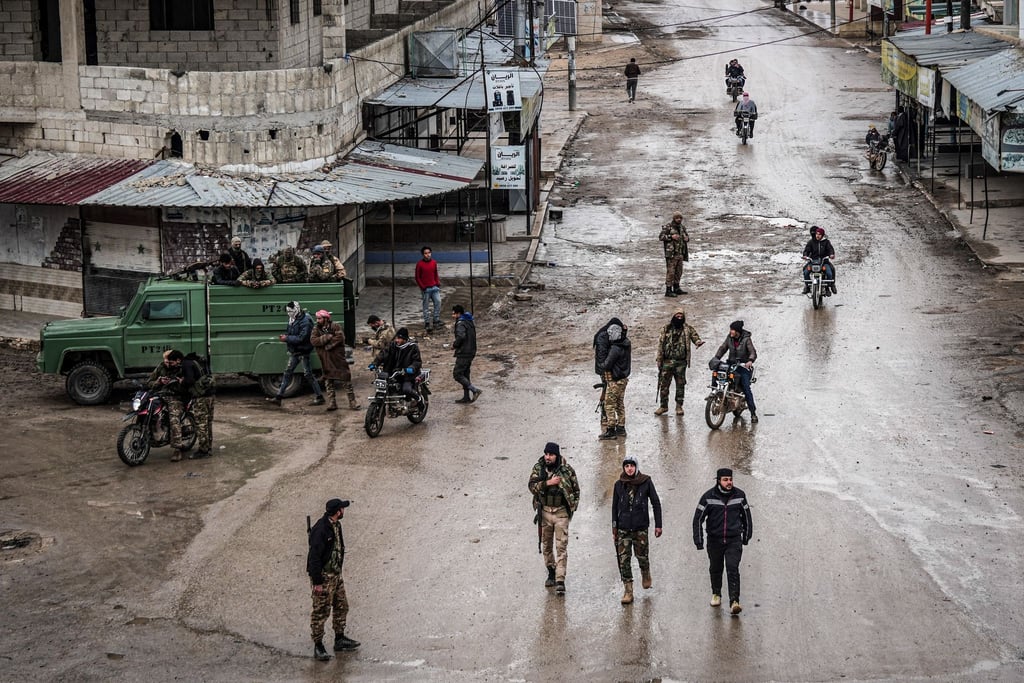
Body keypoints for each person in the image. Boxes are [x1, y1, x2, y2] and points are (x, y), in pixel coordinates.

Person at [692, 468, 753, 615]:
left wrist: (746, 536)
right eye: (725, 480)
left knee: (733, 568)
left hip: (734, 540)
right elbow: (698, 519)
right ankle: (716, 594)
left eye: (730, 479)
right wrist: (699, 540)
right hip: (715, 540)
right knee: (716, 568)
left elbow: (747, 518)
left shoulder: (740, 496)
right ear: (718, 481)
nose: (729, 482)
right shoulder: (708, 497)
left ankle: (734, 601)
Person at [307, 498, 360, 660]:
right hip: (324, 578)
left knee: (342, 606)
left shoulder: (336, 525)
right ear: (338, 511)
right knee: (321, 611)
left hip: (336, 575)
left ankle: (339, 639)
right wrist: (317, 582)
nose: (344, 510)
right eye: (342, 508)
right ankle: (318, 646)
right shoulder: (321, 529)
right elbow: (313, 557)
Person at [528, 442, 580, 595]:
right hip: (544, 512)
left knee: (561, 547)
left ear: (556, 455)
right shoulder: (539, 468)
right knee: (546, 545)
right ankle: (551, 570)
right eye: (546, 454)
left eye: (550, 454)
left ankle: (560, 580)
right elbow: (531, 486)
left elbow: (576, 490)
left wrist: (572, 507)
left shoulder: (566, 470)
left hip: (561, 513)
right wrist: (548, 483)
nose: (548, 457)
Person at [612, 455, 662, 605]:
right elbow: (614, 507)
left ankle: (645, 572)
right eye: (626, 466)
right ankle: (628, 591)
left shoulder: (646, 482)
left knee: (642, 556)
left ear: (636, 467)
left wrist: (658, 525)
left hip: (640, 528)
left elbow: (656, 503)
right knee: (624, 560)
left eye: (632, 466)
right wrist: (614, 526)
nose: (629, 469)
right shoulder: (618, 485)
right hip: (623, 528)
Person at [267, 301, 325, 406]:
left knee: (307, 375)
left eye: (291, 311)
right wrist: (286, 336)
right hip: (296, 351)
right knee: (288, 372)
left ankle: (320, 397)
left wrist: (287, 338)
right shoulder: (293, 319)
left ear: (296, 309)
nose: (289, 313)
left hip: (303, 351)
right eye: (288, 311)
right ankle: (278, 397)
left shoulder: (305, 321)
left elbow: (302, 338)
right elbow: (292, 333)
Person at [655, 309, 704, 416]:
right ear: (673, 315)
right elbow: (660, 345)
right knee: (664, 385)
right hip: (667, 361)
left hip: (681, 363)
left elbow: (695, 336)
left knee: (680, 385)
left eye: (681, 315)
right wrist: (659, 359)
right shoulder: (666, 328)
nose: (679, 316)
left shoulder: (687, 328)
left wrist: (698, 342)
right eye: (677, 314)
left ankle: (679, 406)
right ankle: (663, 406)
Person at [311, 310, 361, 411]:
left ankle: (352, 402)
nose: (318, 320)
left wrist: (328, 345)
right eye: (317, 319)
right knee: (329, 382)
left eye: (319, 318)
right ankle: (332, 403)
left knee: (346, 380)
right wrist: (327, 337)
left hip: (338, 359)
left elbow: (340, 337)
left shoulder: (335, 326)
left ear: (325, 318)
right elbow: (314, 341)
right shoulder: (316, 329)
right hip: (326, 360)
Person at [146, 349, 189, 461]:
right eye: (166, 362)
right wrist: (159, 382)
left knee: (173, 419)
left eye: (170, 362)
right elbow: (149, 382)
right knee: (146, 411)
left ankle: (177, 449)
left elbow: (187, 386)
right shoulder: (161, 367)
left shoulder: (181, 368)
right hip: (160, 396)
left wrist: (178, 382)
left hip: (176, 397)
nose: (168, 364)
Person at [711, 320, 758, 423]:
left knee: (746, 388)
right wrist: (716, 358)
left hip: (743, 367)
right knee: (716, 371)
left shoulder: (746, 339)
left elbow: (752, 352)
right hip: (731, 364)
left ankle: (753, 413)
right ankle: (714, 393)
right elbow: (723, 348)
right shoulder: (729, 338)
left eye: (732, 330)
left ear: (737, 331)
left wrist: (750, 361)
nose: (730, 331)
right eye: (730, 329)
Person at [371, 327, 423, 408]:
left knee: (406, 389)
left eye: (399, 338)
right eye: (396, 338)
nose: (397, 340)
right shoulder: (392, 345)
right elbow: (383, 354)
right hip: (392, 373)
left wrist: (411, 368)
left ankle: (419, 400)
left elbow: (417, 361)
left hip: (407, 375)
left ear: (405, 339)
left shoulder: (413, 347)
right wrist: (375, 363)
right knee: (383, 387)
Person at [593, 318, 626, 434]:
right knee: (608, 397)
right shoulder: (603, 337)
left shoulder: (610, 337)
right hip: (606, 370)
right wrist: (604, 368)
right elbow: (602, 357)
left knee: (612, 398)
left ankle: (612, 423)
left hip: (611, 370)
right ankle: (605, 417)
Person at [599, 322, 631, 440]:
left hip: (615, 380)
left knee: (609, 404)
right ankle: (621, 428)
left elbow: (607, 364)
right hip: (623, 380)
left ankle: (611, 429)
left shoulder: (615, 348)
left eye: (610, 334)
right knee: (619, 403)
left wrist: (601, 364)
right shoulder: (626, 344)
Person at [182, 352, 215, 459]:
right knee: (208, 423)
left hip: (200, 398)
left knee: (201, 424)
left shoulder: (187, 364)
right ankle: (208, 447)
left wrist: (182, 381)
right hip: (211, 396)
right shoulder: (201, 362)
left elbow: (190, 380)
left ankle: (203, 450)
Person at [451, 304, 482, 404]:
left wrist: (455, 345)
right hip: (471, 351)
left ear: (458, 314)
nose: (452, 316)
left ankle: (474, 390)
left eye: (454, 314)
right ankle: (466, 397)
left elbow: (461, 336)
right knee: (465, 373)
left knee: (457, 374)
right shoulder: (469, 320)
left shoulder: (460, 323)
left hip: (464, 352)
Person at [659, 212, 689, 297]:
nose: (679, 219)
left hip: (680, 253)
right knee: (671, 272)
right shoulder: (668, 227)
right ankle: (668, 290)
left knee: (679, 272)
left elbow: (686, 237)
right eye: (677, 218)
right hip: (671, 254)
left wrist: (687, 238)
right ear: (674, 218)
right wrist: (671, 237)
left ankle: (676, 287)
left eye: (680, 218)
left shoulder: (682, 228)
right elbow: (661, 237)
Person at [802, 226, 837, 294]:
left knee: (830, 271)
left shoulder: (826, 242)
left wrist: (831, 254)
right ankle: (807, 286)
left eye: (819, 234)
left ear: (822, 235)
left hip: (824, 262)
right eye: (817, 234)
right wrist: (805, 255)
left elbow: (830, 249)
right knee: (805, 271)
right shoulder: (811, 242)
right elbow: (807, 250)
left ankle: (829, 286)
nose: (817, 236)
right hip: (813, 262)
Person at [414, 246, 442, 333]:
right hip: (426, 289)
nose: (428, 255)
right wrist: (422, 287)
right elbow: (417, 277)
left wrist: (437, 283)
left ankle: (436, 320)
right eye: (426, 253)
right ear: (423, 254)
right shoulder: (419, 264)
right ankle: (427, 323)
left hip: (434, 287)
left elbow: (435, 273)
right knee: (426, 306)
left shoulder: (434, 262)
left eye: (429, 253)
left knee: (438, 302)